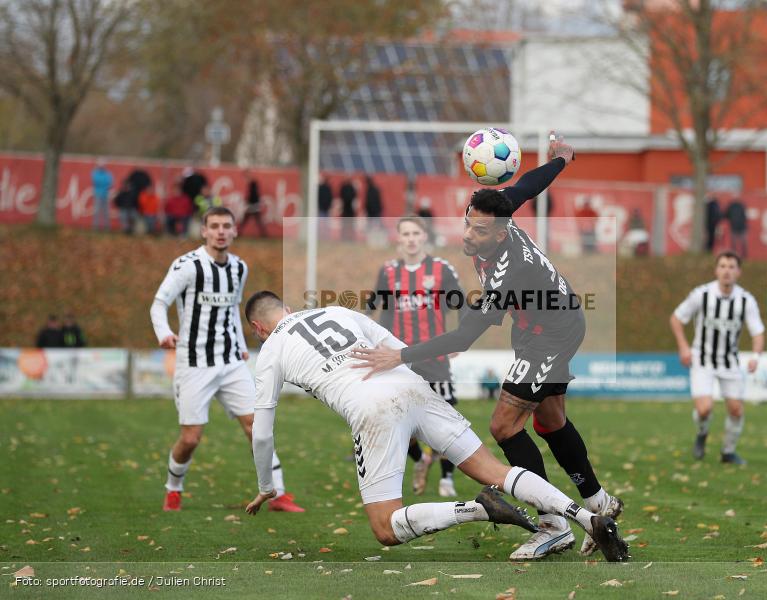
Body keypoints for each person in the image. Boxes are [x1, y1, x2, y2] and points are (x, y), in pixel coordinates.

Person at [351, 133, 623, 561]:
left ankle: (552, 527)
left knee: (504, 427)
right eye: (468, 224)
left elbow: (463, 337)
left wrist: (398, 355)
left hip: (551, 332)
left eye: (480, 231)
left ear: (500, 232)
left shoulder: (507, 271)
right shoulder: (499, 210)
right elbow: (529, 185)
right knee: (549, 423)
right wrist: (561, 160)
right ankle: (600, 504)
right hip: (540, 324)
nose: (470, 235)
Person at [242, 294, 629, 562]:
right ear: (289, 308)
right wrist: (411, 405)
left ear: (259, 328)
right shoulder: (338, 311)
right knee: (496, 470)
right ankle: (587, 519)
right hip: (411, 385)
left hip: (370, 409)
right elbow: (396, 345)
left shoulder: (271, 350)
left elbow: (261, 431)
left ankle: (477, 510)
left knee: (385, 527)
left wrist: (265, 487)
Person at [149, 207, 302, 513]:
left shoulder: (238, 267)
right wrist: (164, 331)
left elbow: (232, 308)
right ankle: (173, 489)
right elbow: (159, 302)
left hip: (231, 361)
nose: (220, 231)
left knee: (256, 425)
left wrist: (240, 341)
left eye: (226, 226)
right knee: (191, 438)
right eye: (214, 226)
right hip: (194, 363)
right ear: (204, 231)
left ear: (234, 231)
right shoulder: (188, 266)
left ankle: (279, 493)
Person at [368, 215, 464, 497]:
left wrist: (462, 338)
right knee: (393, 417)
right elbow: (377, 308)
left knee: (448, 419)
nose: (410, 238)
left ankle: (447, 479)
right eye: (405, 234)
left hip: (434, 356)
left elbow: (461, 304)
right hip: (398, 358)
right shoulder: (388, 271)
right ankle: (421, 459)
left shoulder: (441, 269)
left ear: (425, 237)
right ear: (399, 238)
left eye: (415, 233)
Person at [669, 251, 765, 466]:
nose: (727, 271)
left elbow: (758, 332)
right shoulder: (701, 294)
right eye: (722, 266)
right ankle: (702, 433)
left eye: (731, 267)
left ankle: (728, 452)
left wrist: (756, 356)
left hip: (729, 362)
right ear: (716, 270)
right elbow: (676, 318)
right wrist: (684, 347)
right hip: (702, 361)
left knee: (736, 410)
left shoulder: (746, 300)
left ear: (738, 272)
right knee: (704, 409)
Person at [91, 159, 114, 232]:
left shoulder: (108, 174)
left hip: (105, 194)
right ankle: (95, 227)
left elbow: (110, 183)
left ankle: (107, 227)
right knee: (96, 211)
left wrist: (104, 185)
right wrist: (104, 185)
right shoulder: (95, 173)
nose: (102, 167)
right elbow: (96, 181)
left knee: (106, 212)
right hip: (98, 194)